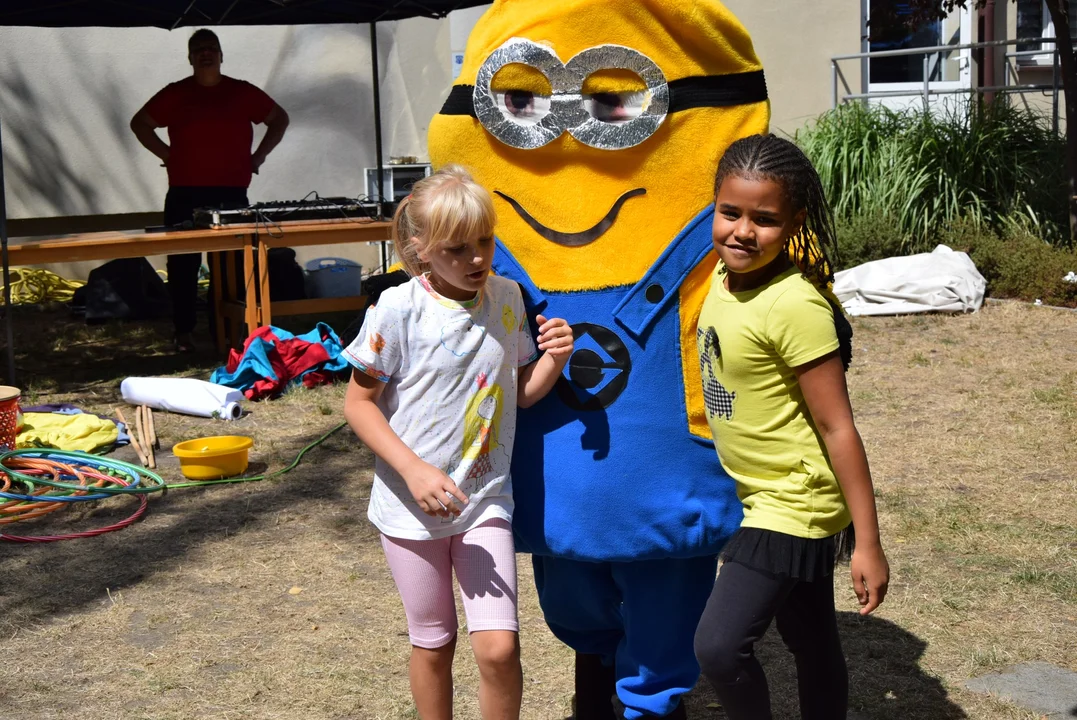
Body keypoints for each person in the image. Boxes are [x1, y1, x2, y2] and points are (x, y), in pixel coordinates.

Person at [341, 165, 574, 720]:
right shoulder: (397, 308)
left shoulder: (509, 296)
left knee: (498, 648)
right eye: (456, 248)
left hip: (485, 500)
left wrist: (556, 360)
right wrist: (415, 470)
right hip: (407, 509)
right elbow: (358, 404)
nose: (476, 259)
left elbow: (520, 395)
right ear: (420, 250)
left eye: (485, 242)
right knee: (435, 641)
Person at [692, 134, 890, 720]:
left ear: (795, 221)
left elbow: (838, 429)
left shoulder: (795, 306)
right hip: (758, 492)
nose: (743, 232)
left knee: (719, 646)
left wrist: (869, 543)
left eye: (766, 219)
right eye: (730, 213)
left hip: (794, 500)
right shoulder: (721, 279)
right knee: (809, 638)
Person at [130, 28, 290, 352]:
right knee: (182, 266)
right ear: (190, 58)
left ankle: (227, 335)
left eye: (211, 48)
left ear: (221, 54)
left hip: (231, 192)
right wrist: (166, 154)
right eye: (199, 49)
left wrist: (258, 156)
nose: (206, 53)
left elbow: (279, 119)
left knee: (229, 266)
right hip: (184, 192)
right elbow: (140, 123)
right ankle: (184, 333)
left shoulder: (241, 92)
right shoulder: (176, 93)